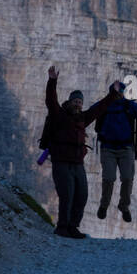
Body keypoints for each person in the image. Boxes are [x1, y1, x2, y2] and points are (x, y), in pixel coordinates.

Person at [43, 65, 119, 239]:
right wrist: (52, 81)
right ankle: (62, 227)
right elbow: (50, 100)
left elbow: (99, 108)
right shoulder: (59, 115)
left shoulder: (83, 118)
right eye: (75, 101)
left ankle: (73, 226)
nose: (78, 104)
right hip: (61, 162)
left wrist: (113, 94)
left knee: (82, 194)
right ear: (69, 102)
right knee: (67, 194)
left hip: (78, 163)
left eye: (80, 102)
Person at [95, 81, 137, 223]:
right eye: (116, 91)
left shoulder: (129, 106)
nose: (118, 94)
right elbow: (89, 114)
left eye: (120, 91)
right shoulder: (104, 105)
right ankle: (104, 205)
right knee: (109, 178)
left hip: (126, 148)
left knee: (127, 178)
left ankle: (124, 206)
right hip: (107, 148)